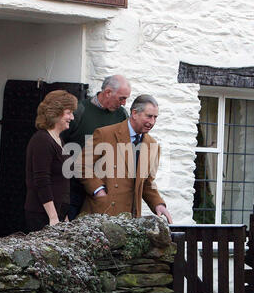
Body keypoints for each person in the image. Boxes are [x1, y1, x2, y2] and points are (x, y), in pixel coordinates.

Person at [78, 94, 173, 223]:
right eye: (149, 116)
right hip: (102, 215)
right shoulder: (105, 134)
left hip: (131, 219)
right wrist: (98, 191)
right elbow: (82, 165)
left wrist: (158, 204)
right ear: (134, 113)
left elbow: (147, 182)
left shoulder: (153, 145)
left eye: (155, 117)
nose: (152, 122)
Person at [60, 74, 131, 220]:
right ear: (108, 92)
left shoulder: (121, 115)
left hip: (102, 187)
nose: (124, 103)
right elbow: (59, 141)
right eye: (121, 98)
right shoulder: (80, 111)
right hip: (74, 185)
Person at [24, 90, 78, 232]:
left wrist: (64, 216)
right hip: (42, 215)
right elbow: (41, 180)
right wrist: (53, 217)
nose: (72, 117)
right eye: (69, 112)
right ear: (55, 113)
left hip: (58, 215)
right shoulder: (42, 140)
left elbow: (62, 181)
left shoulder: (60, 140)